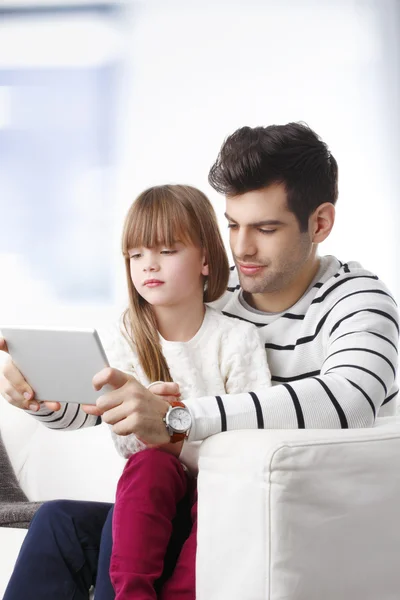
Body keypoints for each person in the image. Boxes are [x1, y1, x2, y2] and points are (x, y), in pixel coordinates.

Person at [1, 122, 398, 600]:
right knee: (59, 523)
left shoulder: (358, 301)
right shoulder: (215, 299)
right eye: (232, 225)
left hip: (286, 521)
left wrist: (177, 419)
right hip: (183, 497)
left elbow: (345, 402)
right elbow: (116, 399)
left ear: (319, 223)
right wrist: (40, 397)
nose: (242, 248)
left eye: (265, 228)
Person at [106, 184, 271, 600]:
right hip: (157, 487)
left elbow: (251, 447)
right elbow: (126, 446)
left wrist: (171, 432)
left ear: (205, 260)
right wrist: (144, 428)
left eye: (166, 250)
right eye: (136, 255)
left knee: (224, 488)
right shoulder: (126, 335)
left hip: (222, 483)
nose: (148, 266)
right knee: (148, 467)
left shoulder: (236, 338)